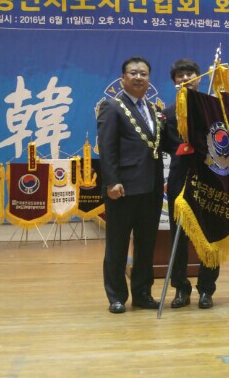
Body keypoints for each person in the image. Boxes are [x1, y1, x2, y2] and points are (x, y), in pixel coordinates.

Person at [97, 57, 165, 314]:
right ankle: (116, 296)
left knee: (146, 245)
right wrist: (111, 182)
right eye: (133, 73)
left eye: (144, 74)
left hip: (151, 189)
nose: (139, 77)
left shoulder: (154, 109)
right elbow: (107, 148)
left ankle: (142, 293)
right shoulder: (112, 107)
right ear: (123, 78)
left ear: (149, 79)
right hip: (122, 190)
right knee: (117, 245)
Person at [162, 59, 220, 309]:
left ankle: (207, 289)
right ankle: (181, 289)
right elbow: (166, 146)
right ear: (175, 82)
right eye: (180, 75)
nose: (186, 78)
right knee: (179, 237)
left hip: (209, 180)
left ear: (199, 78)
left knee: (209, 236)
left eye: (190, 74)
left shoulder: (214, 108)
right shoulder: (167, 114)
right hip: (180, 180)